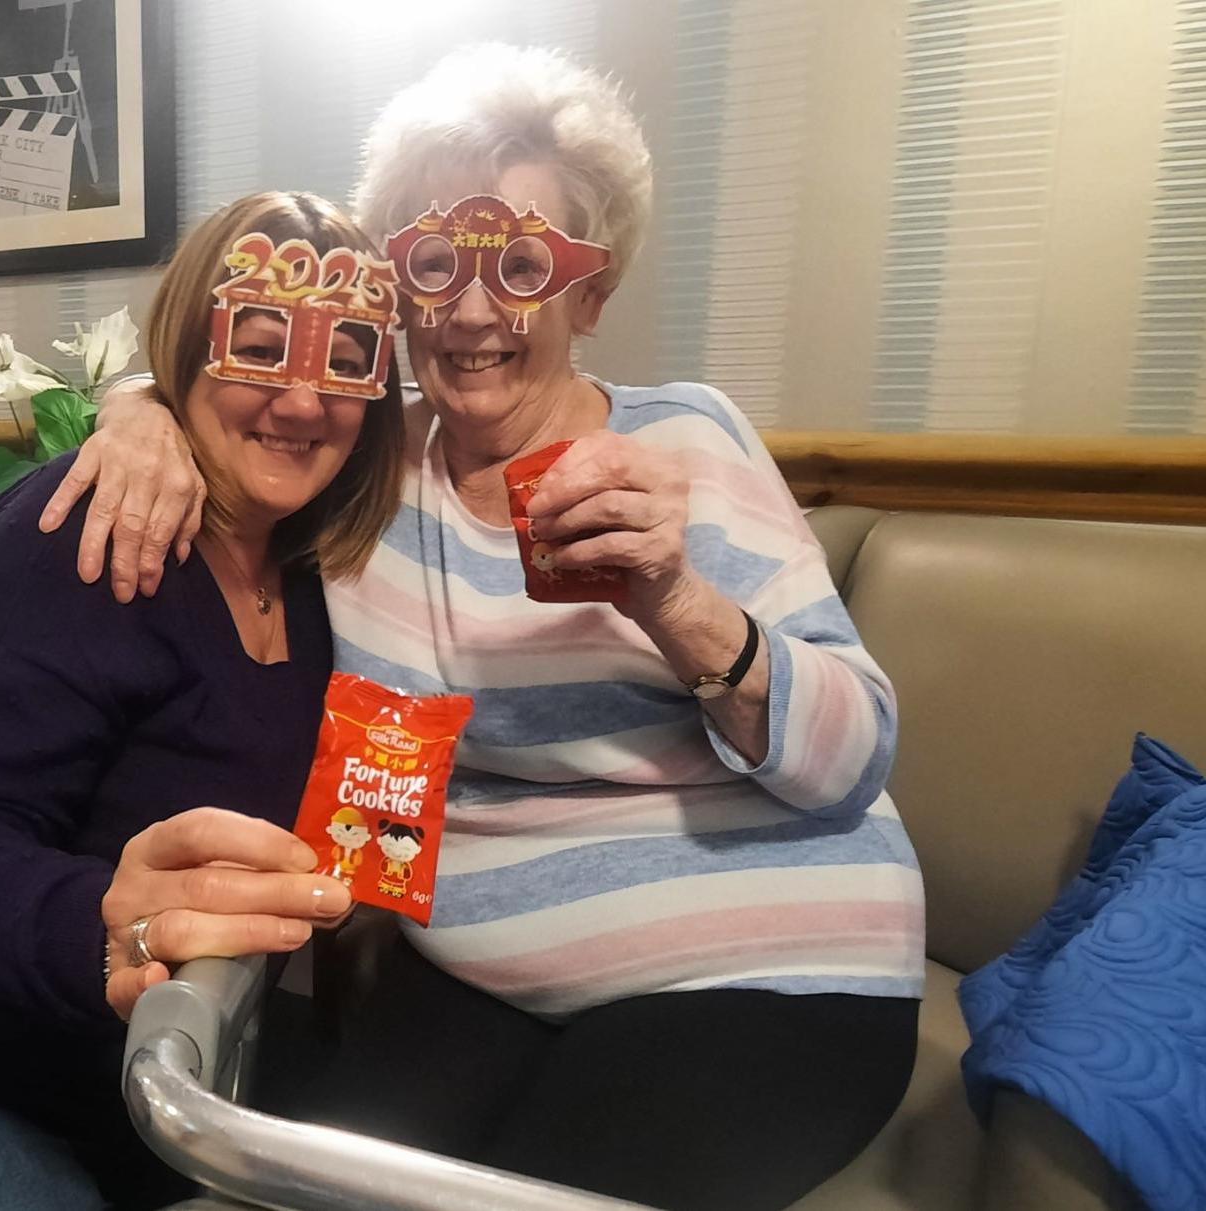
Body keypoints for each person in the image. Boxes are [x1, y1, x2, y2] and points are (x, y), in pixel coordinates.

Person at [48, 45, 926, 1211]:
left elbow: (854, 757)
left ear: (589, 294)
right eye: (432, 262)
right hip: (485, 981)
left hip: (774, 968)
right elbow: (250, 374)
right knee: (292, 1186)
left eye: (519, 266)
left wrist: (678, 601)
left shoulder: (690, 446)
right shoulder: (361, 462)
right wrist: (140, 408)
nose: (469, 311)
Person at [0, 190, 407, 1211]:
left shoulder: (320, 574)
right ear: (191, 348)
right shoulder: (84, 538)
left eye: (347, 360)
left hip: (133, 1081)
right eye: (258, 347)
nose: (303, 401)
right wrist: (104, 923)